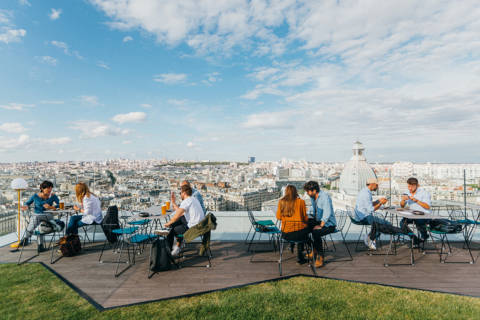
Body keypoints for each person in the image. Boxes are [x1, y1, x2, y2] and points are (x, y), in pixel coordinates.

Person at [354, 178, 402, 250]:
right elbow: (371, 209)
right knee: (386, 223)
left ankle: (371, 237)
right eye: (377, 185)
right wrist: (380, 203)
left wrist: (377, 201)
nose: (377, 187)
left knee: (380, 223)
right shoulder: (367, 194)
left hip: (361, 216)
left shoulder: (364, 191)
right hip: (365, 217)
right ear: (372, 184)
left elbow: (368, 204)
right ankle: (370, 238)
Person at [20, 180, 64, 247]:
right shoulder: (35, 196)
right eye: (48, 190)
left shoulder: (53, 196)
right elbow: (27, 203)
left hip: (48, 215)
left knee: (35, 219)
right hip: (37, 216)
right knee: (39, 225)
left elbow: (59, 205)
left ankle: (26, 238)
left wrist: (51, 207)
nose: (49, 192)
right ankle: (40, 246)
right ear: (42, 189)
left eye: (50, 190)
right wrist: (26, 206)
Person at [303, 181, 336, 267]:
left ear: (314, 191)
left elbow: (327, 213)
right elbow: (314, 211)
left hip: (329, 224)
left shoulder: (324, 197)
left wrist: (321, 225)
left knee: (316, 232)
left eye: (308, 191)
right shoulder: (313, 197)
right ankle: (314, 249)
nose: (307, 193)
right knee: (303, 228)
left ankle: (320, 257)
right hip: (319, 221)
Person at [166, 184, 205, 256]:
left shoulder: (186, 201)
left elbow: (176, 217)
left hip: (193, 228)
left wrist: (167, 224)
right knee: (177, 221)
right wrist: (173, 202)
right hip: (200, 225)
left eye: (180, 193)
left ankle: (168, 253)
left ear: (184, 193)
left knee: (171, 231)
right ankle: (177, 246)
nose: (180, 194)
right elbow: (180, 212)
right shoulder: (193, 199)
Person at [276, 185, 309, 265]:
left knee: (298, 231)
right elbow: (305, 218)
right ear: (296, 192)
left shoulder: (281, 202)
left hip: (286, 234)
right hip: (300, 234)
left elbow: (278, 217)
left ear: (285, 192)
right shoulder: (301, 202)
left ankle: (292, 246)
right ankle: (300, 257)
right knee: (306, 230)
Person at [400, 177, 432, 244]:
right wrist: (403, 200)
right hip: (412, 215)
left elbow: (427, 206)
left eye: (412, 187)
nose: (410, 188)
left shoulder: (424, 193)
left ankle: (424, 236)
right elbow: (402, 205)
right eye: (408, 186)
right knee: (402, 223)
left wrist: (416, 200)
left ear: (417, 185)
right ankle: (414, 239)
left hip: (424, 215)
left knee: (418, 221)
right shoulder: (407, 192)